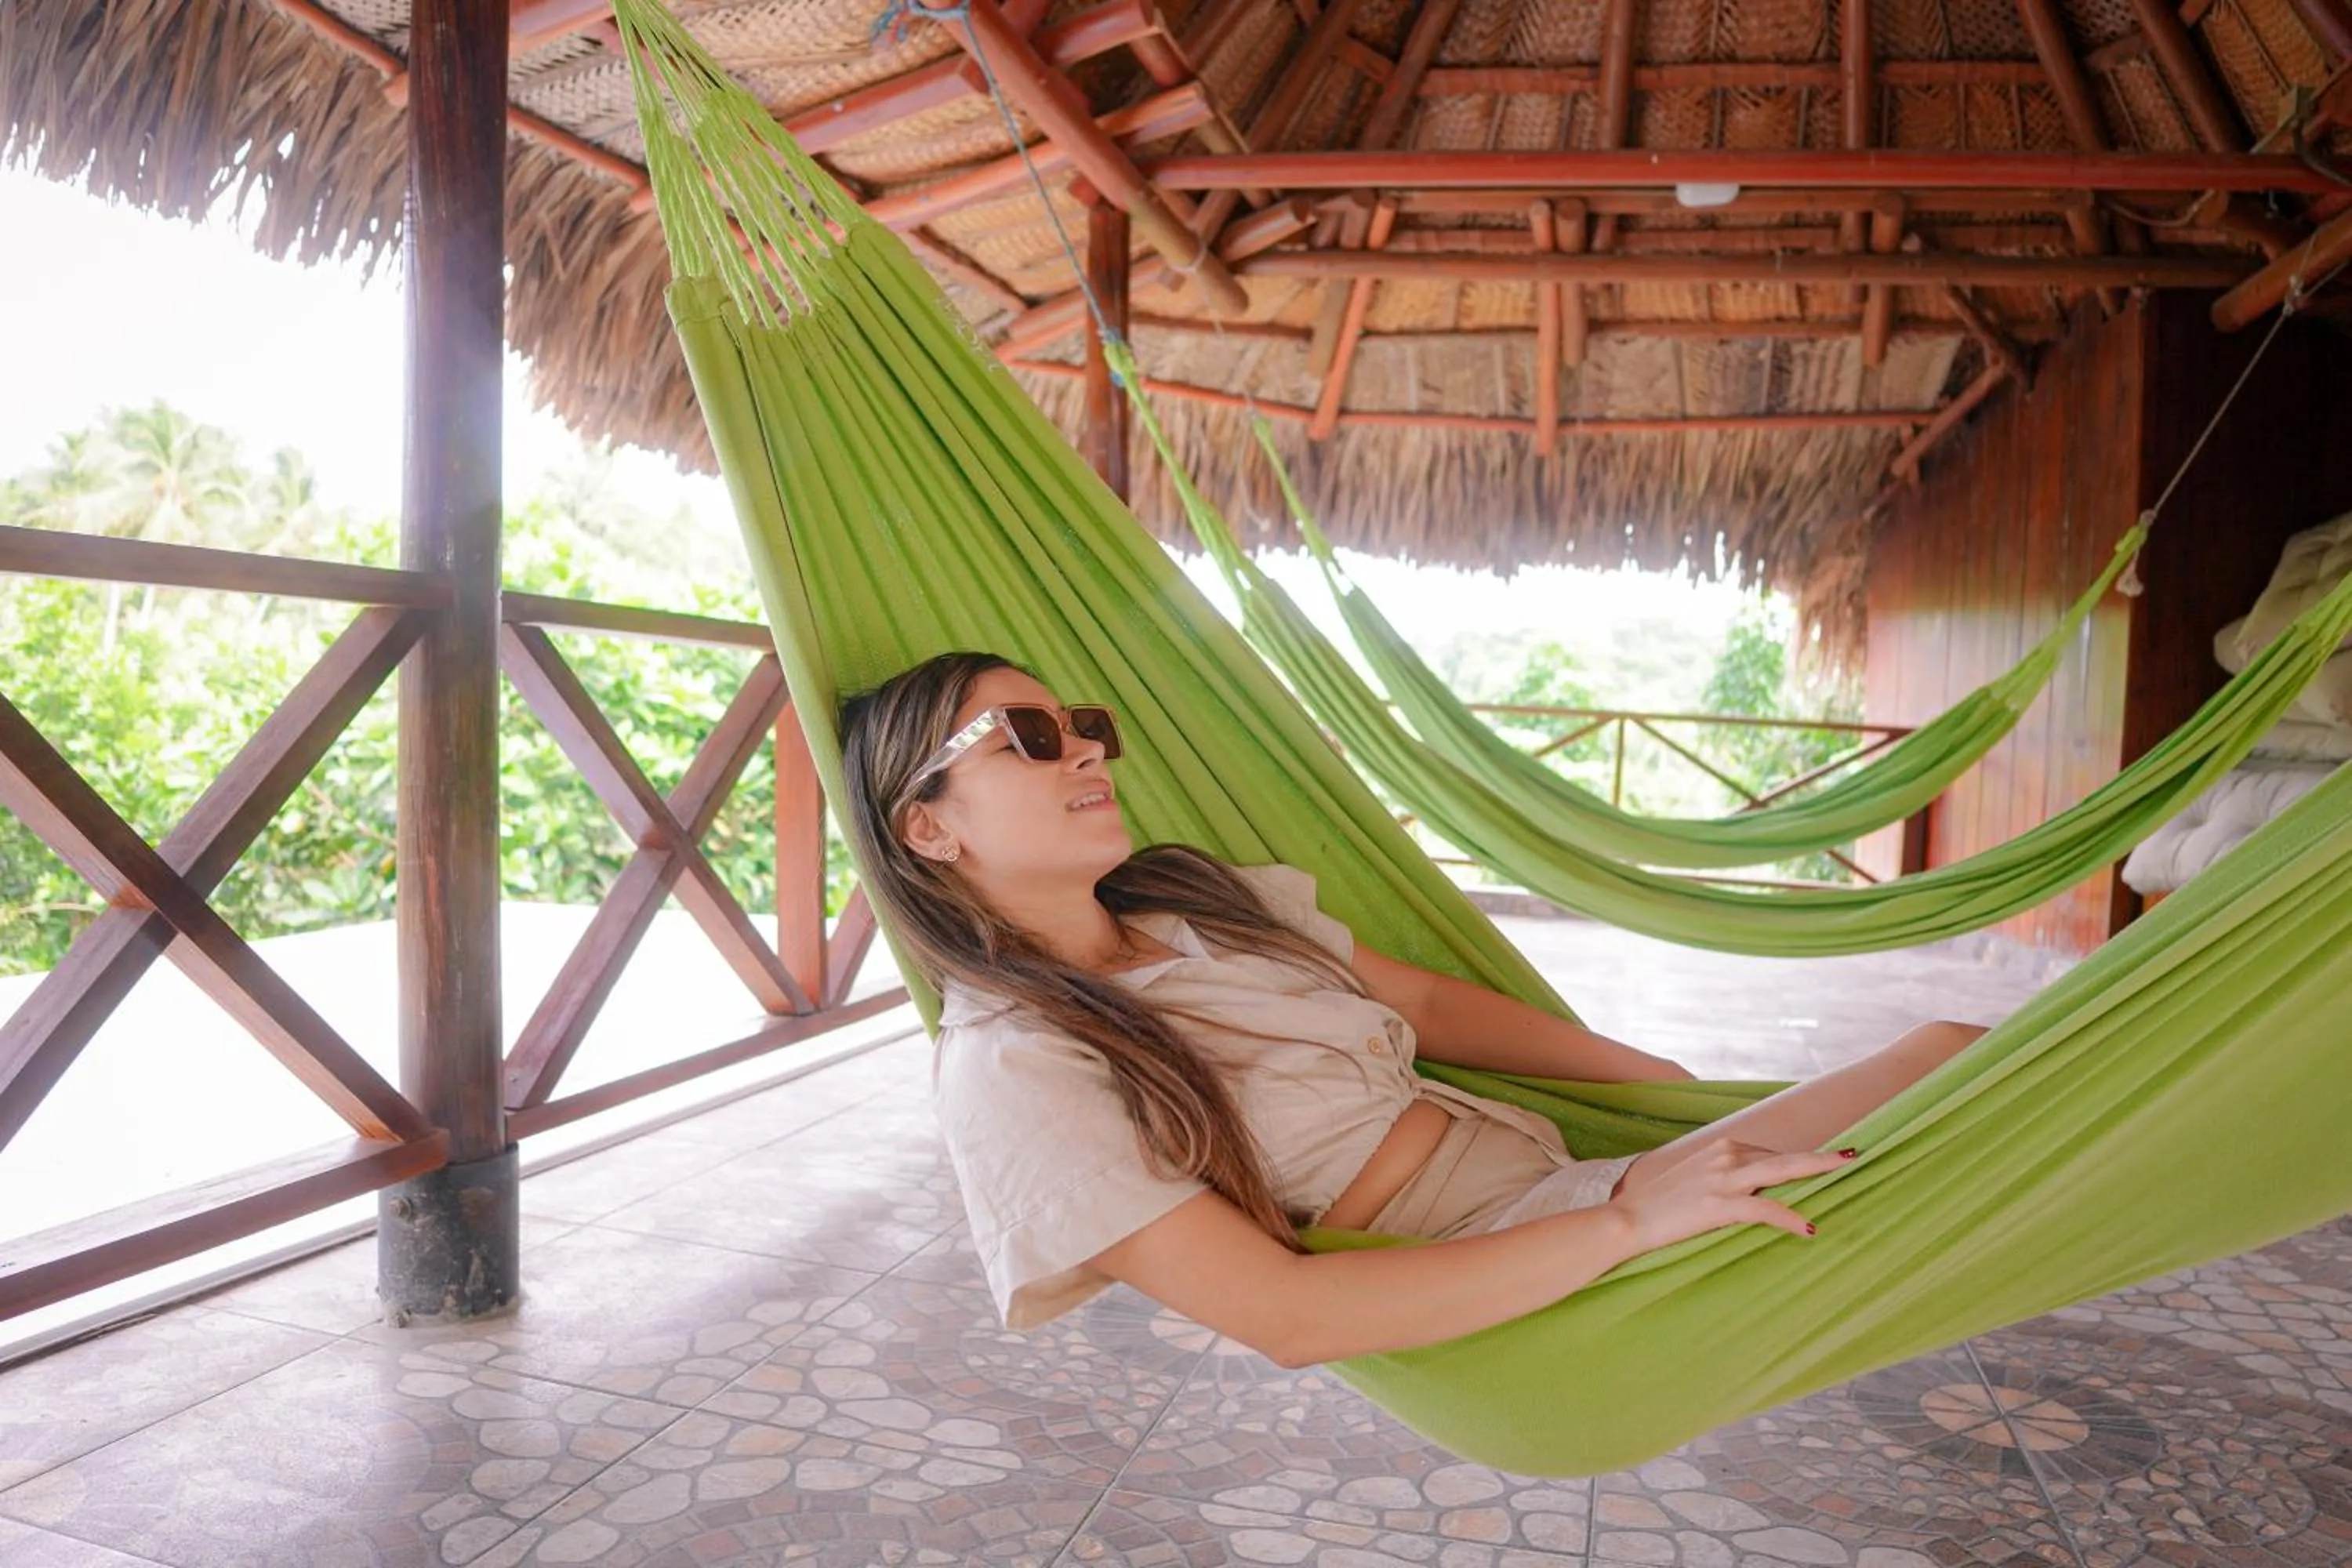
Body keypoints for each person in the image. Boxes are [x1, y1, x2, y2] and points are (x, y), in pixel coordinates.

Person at [839, 652, 1987, 1368]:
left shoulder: (1194, 901)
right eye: (1029, 738)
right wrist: (1629, 1219)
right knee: (1959, 1084)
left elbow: (1427, 1000)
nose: (1087, 746)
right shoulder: (1015, 1062)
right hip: (1525, 1264)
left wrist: (1663, 1093)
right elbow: (1285, 1315)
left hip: (1568, 1181)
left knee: (1959, 1059)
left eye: (1083, 723)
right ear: (929, 828)